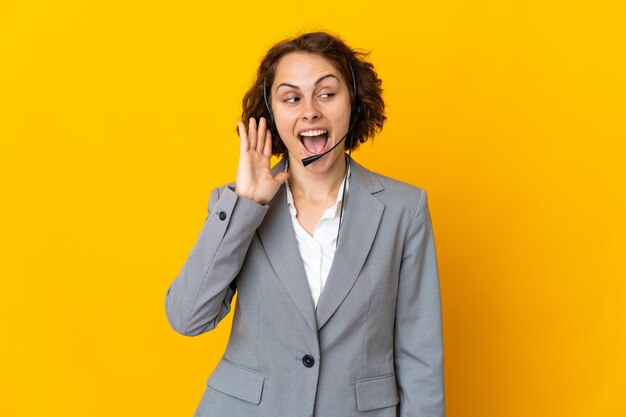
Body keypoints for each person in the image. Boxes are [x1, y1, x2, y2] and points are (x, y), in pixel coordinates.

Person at [165, 31, 445, 417]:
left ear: (355, 104)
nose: (310, 110)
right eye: (291, 98)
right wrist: (247, 204)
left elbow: (420, 353)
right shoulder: (233, 205)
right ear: (271, 114)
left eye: (327, 94)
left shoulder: (404, 208)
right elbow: (187, 317)